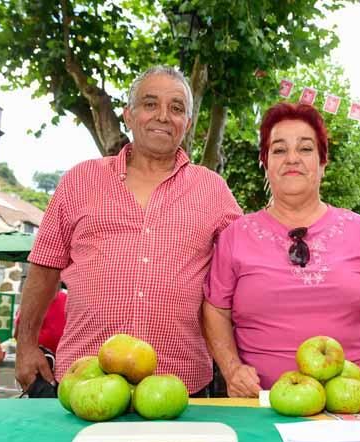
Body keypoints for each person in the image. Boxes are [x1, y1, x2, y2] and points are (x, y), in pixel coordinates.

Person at [15, 66, 242, 396]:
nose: (163, 116)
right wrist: (26, 346)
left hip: (179, 386)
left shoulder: (213, 190)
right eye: (150, 104)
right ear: (129, 115)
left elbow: (245, 269)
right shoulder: (80, 180)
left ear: (188, 124)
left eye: (176, 108)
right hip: (85, 380)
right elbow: (45, 268)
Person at [202, 102, 360, 397]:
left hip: (353, 402)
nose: (292, 159)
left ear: (323, 162)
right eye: (279, 150)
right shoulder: (236, 236)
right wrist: (232, 369)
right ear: (266, 163)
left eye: (306, 149)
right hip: (263, 403)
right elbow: (215, 310)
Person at [14, 284, 67, 357]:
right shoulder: (32, 302)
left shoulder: (67, 299)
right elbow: (18, 335)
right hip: (40, 356)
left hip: (64, 355)